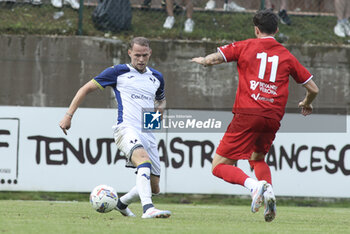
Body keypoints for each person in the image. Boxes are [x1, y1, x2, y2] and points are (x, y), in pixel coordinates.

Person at [191, 9, 318, 222]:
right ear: (276, 30)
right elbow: (313, 88)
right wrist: (306, 103)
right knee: (257, 158)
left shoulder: (245, 46)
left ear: (256, 29)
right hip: (272, 117)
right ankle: (269, 194)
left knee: (218, 166)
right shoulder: (286, 55)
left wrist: (203, 60)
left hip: (248, 113)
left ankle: (254, 186)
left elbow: (214, 60)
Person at [59, 37, 171, 219]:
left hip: (147, 132)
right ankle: (148, 209)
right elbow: (85, 89)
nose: (141, 60)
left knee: (154, 186)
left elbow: (161, 99)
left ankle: (121, 203)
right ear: (129, 53)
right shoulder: (118, 72)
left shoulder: (157, 77)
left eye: (144, 55)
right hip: (125, 128)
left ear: (150, 53)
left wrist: (157, 115)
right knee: (143, 161)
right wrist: (68, 115)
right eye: (137, 55)